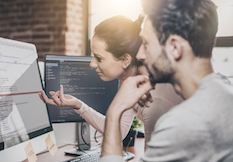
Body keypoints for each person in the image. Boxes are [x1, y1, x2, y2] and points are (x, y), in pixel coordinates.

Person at [100, 0, 233, 161]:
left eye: (146, 44)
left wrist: (115, 110)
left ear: (175, 48)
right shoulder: (225, 91)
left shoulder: (184, 123)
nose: (140, 55)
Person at [39, 15, 182, 148]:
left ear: (125, 60)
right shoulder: (128, 79)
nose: (92, 64)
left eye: (99, 58)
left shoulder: (155, 97)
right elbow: (119, 131)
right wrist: (79, 106)